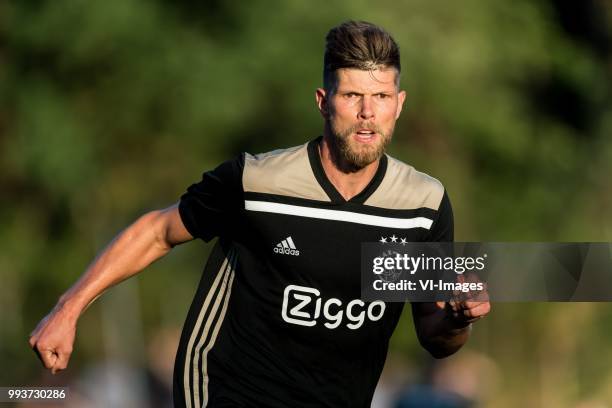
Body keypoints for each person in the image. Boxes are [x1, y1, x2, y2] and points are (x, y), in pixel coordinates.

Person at [30, 20, 490, 407]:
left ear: (400, 103)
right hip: (226, 389)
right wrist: (67, 309)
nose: (367, 114)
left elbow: (435, 335)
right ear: (322, 100)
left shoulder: (421, 205)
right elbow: (158, 231)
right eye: (351, 96)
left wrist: (458, 317)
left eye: (381, 98)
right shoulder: (257, 181)